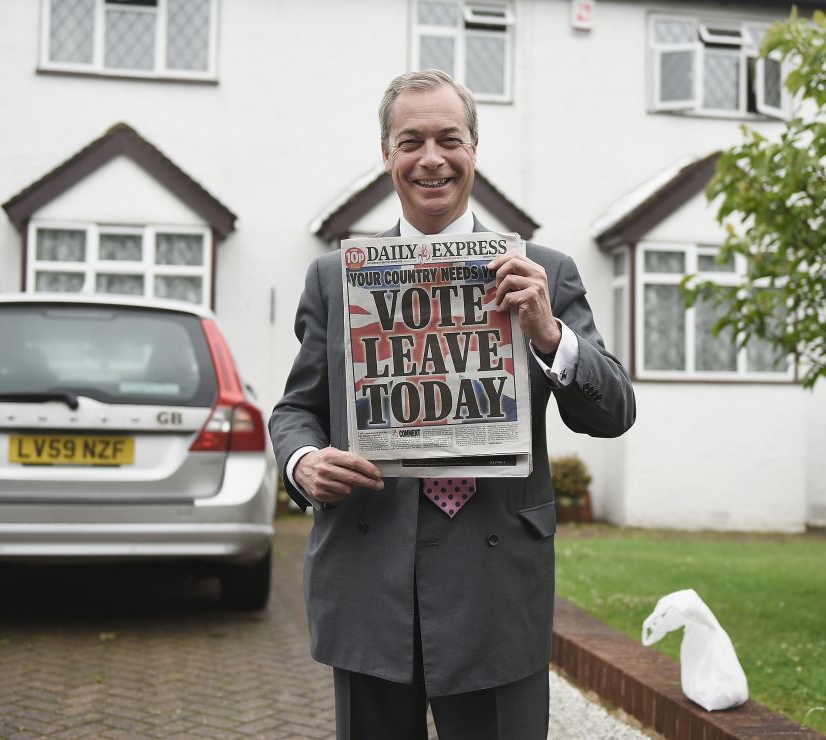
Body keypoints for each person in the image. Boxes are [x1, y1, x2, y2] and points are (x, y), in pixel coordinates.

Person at [270, 69, 636, 740]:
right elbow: (296, 408)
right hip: (366, 578)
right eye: (411, 141)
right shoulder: (335, 278)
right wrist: (303, 463)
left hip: (495, 588)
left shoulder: (544, 274)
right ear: (387, 154)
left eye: (450, 138)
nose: (431, 158)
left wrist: (550, 334)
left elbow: (612, 414)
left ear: (474, 148)